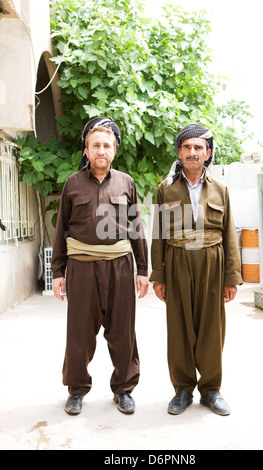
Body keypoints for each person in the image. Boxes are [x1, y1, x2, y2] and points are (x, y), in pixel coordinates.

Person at [51, 117, 149, 416]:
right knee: (79, 333)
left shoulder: (126, 183)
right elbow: (61, 231)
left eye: (107, 145)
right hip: (81, 267)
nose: (101, 150)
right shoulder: (72, 184)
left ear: (114, 150)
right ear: (86, 150)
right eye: (96, 145)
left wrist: (142, 270)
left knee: (122, 332)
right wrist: (58, 272)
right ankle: (77, 390)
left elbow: (136, 228)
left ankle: (124, 389)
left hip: (119, 266)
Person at [150, 123, 243, 416]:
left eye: (198, 147)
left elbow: (230, 234)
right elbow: (158, 235)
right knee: (179, 326)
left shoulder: (221, 190)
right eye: (187, 147)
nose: (192, 152)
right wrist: (159, 276)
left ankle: (211, 390)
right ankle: (182, 389)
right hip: (177, 261)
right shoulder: (165, 190)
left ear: (208, 153)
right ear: (179, 152)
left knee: (212, 328)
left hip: (212, 263)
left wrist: (232, 277)